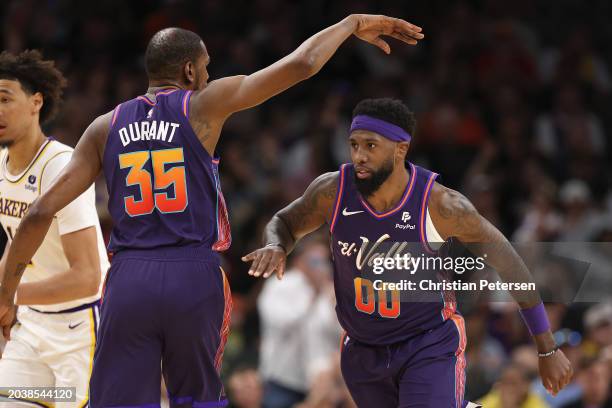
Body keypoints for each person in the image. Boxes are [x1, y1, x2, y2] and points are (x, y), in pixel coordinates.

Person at [0, 15, 425, 408]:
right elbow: (302, 64)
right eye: (206, 67)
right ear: (189, 70)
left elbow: (39, 213)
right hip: (192, 272)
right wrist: (350, 24)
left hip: (129, 277)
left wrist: (6, 294)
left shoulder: (104, 126)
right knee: (197, 398)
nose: (208, 75)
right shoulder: (204, 104)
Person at [242, 98, 573, 407]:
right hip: (362, 349)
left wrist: (547, 348)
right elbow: (285, 222)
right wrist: (276, 244)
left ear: (401, 149)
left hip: (427, 342)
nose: (359, 155)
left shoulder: (442, 205)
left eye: (371, 145)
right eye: (354, 145)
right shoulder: (333, 190)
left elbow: (510, 264)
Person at [0, 50, 108, 406]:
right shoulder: (1, 164)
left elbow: (87, 277)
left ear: (35, 102)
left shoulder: (61, 167)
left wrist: (9, 294)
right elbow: (16, 239)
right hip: (32, 327)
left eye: (4, 99)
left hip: (82, 328)